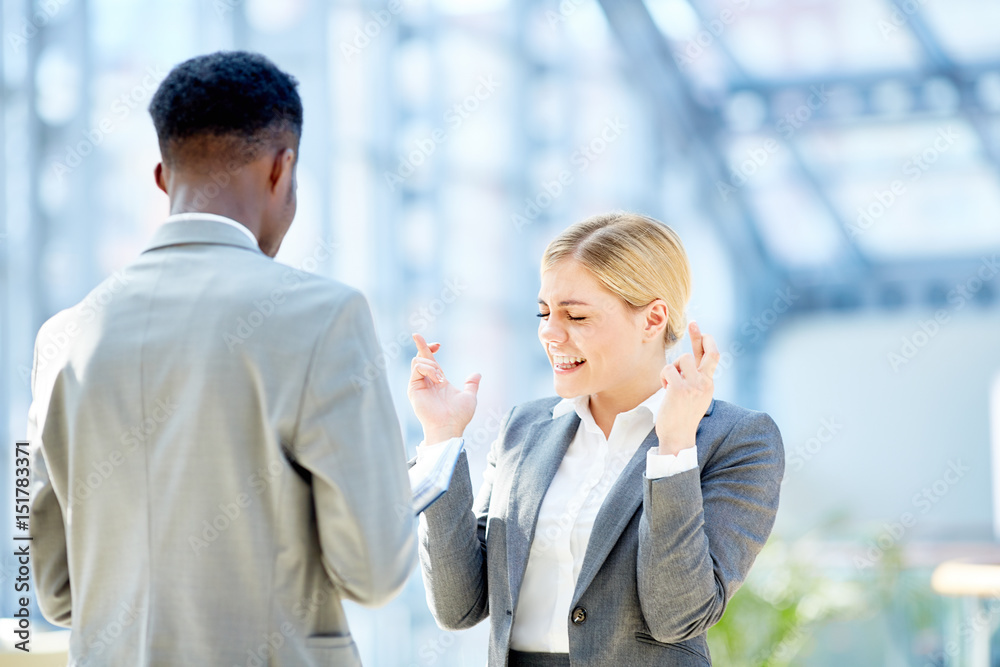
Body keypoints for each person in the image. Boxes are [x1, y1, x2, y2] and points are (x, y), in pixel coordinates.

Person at [27, 51, 415, 666]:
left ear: (163, 177)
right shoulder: (324, 315)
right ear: (282, 169)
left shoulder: (64, 337)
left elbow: (53, 589)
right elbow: (375, 569)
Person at [408, 212, 784, 666]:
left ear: (653, 320)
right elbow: (458, 606)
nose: (549, 332)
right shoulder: (523, 429)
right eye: (544, 312)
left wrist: (674, 448)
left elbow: (677, 616)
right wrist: (442, 438)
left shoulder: (736, 440)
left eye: (576, 315)